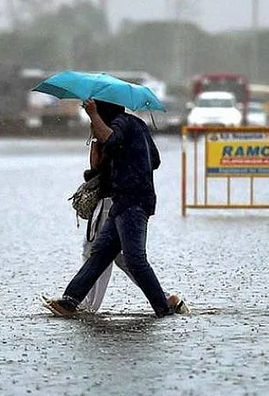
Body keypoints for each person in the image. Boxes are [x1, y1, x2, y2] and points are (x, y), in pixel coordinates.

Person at [43, 99, 176, 317]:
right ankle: (69, 302)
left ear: (104, 110)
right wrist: (128, 158)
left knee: (134, 259)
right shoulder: (137, 125)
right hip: (123, 202)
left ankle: (163, 308)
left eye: (98, 112)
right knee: (100, 254)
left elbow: (111, 140)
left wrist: (93, 115)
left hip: (133, 202)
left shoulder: (122, 122)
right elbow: (155, 160)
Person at [78, 136, 188, 314]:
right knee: (120, 256)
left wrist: (96, 143)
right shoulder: (127, 133)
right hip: (121, 199)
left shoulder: (109, 132)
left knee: (96, 251)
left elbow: (98, 165)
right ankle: (165, 298)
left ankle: (86, 304)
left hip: (111, 200)